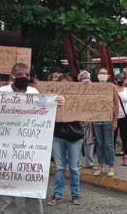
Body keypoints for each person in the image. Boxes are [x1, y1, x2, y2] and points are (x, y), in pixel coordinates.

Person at [0, 63, 65, 214]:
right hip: (3, 154)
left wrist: (57, 105)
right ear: (12, 77)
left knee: (33, 196)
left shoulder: (34, 93)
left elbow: (45, 119)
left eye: (27, 74)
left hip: (28, 154)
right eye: (20, 74)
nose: (24, 77)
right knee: (6, 198)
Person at [48, 74, 84, 206]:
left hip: (74, 135)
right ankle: (57, 194)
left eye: (67, 84)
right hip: (57, 135)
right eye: (62, 84)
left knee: (74, 167)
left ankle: (76, 194)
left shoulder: (78, 97)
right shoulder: (52, 98)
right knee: (60, 167)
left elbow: (91, 96)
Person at [93, 68, 119, 177]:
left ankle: (111, 166)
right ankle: (100, 165)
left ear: (108, 76)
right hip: (96, 120)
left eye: (104, 73)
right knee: (99, 144)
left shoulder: (112, 87)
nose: (102, 75)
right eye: (100, 73)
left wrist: (115, 120)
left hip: (108, 120)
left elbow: (116, 104)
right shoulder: (93, 88)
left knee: (109, 144)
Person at [77, 71, 97, 170]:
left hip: (89, 119)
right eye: (82, 77)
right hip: (77, 119)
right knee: (78, 141)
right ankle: (78, 163)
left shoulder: (93, 89)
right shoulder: (75, 90)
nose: (84, 78)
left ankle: (90, 162)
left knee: (89, 141)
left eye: (86, 76)